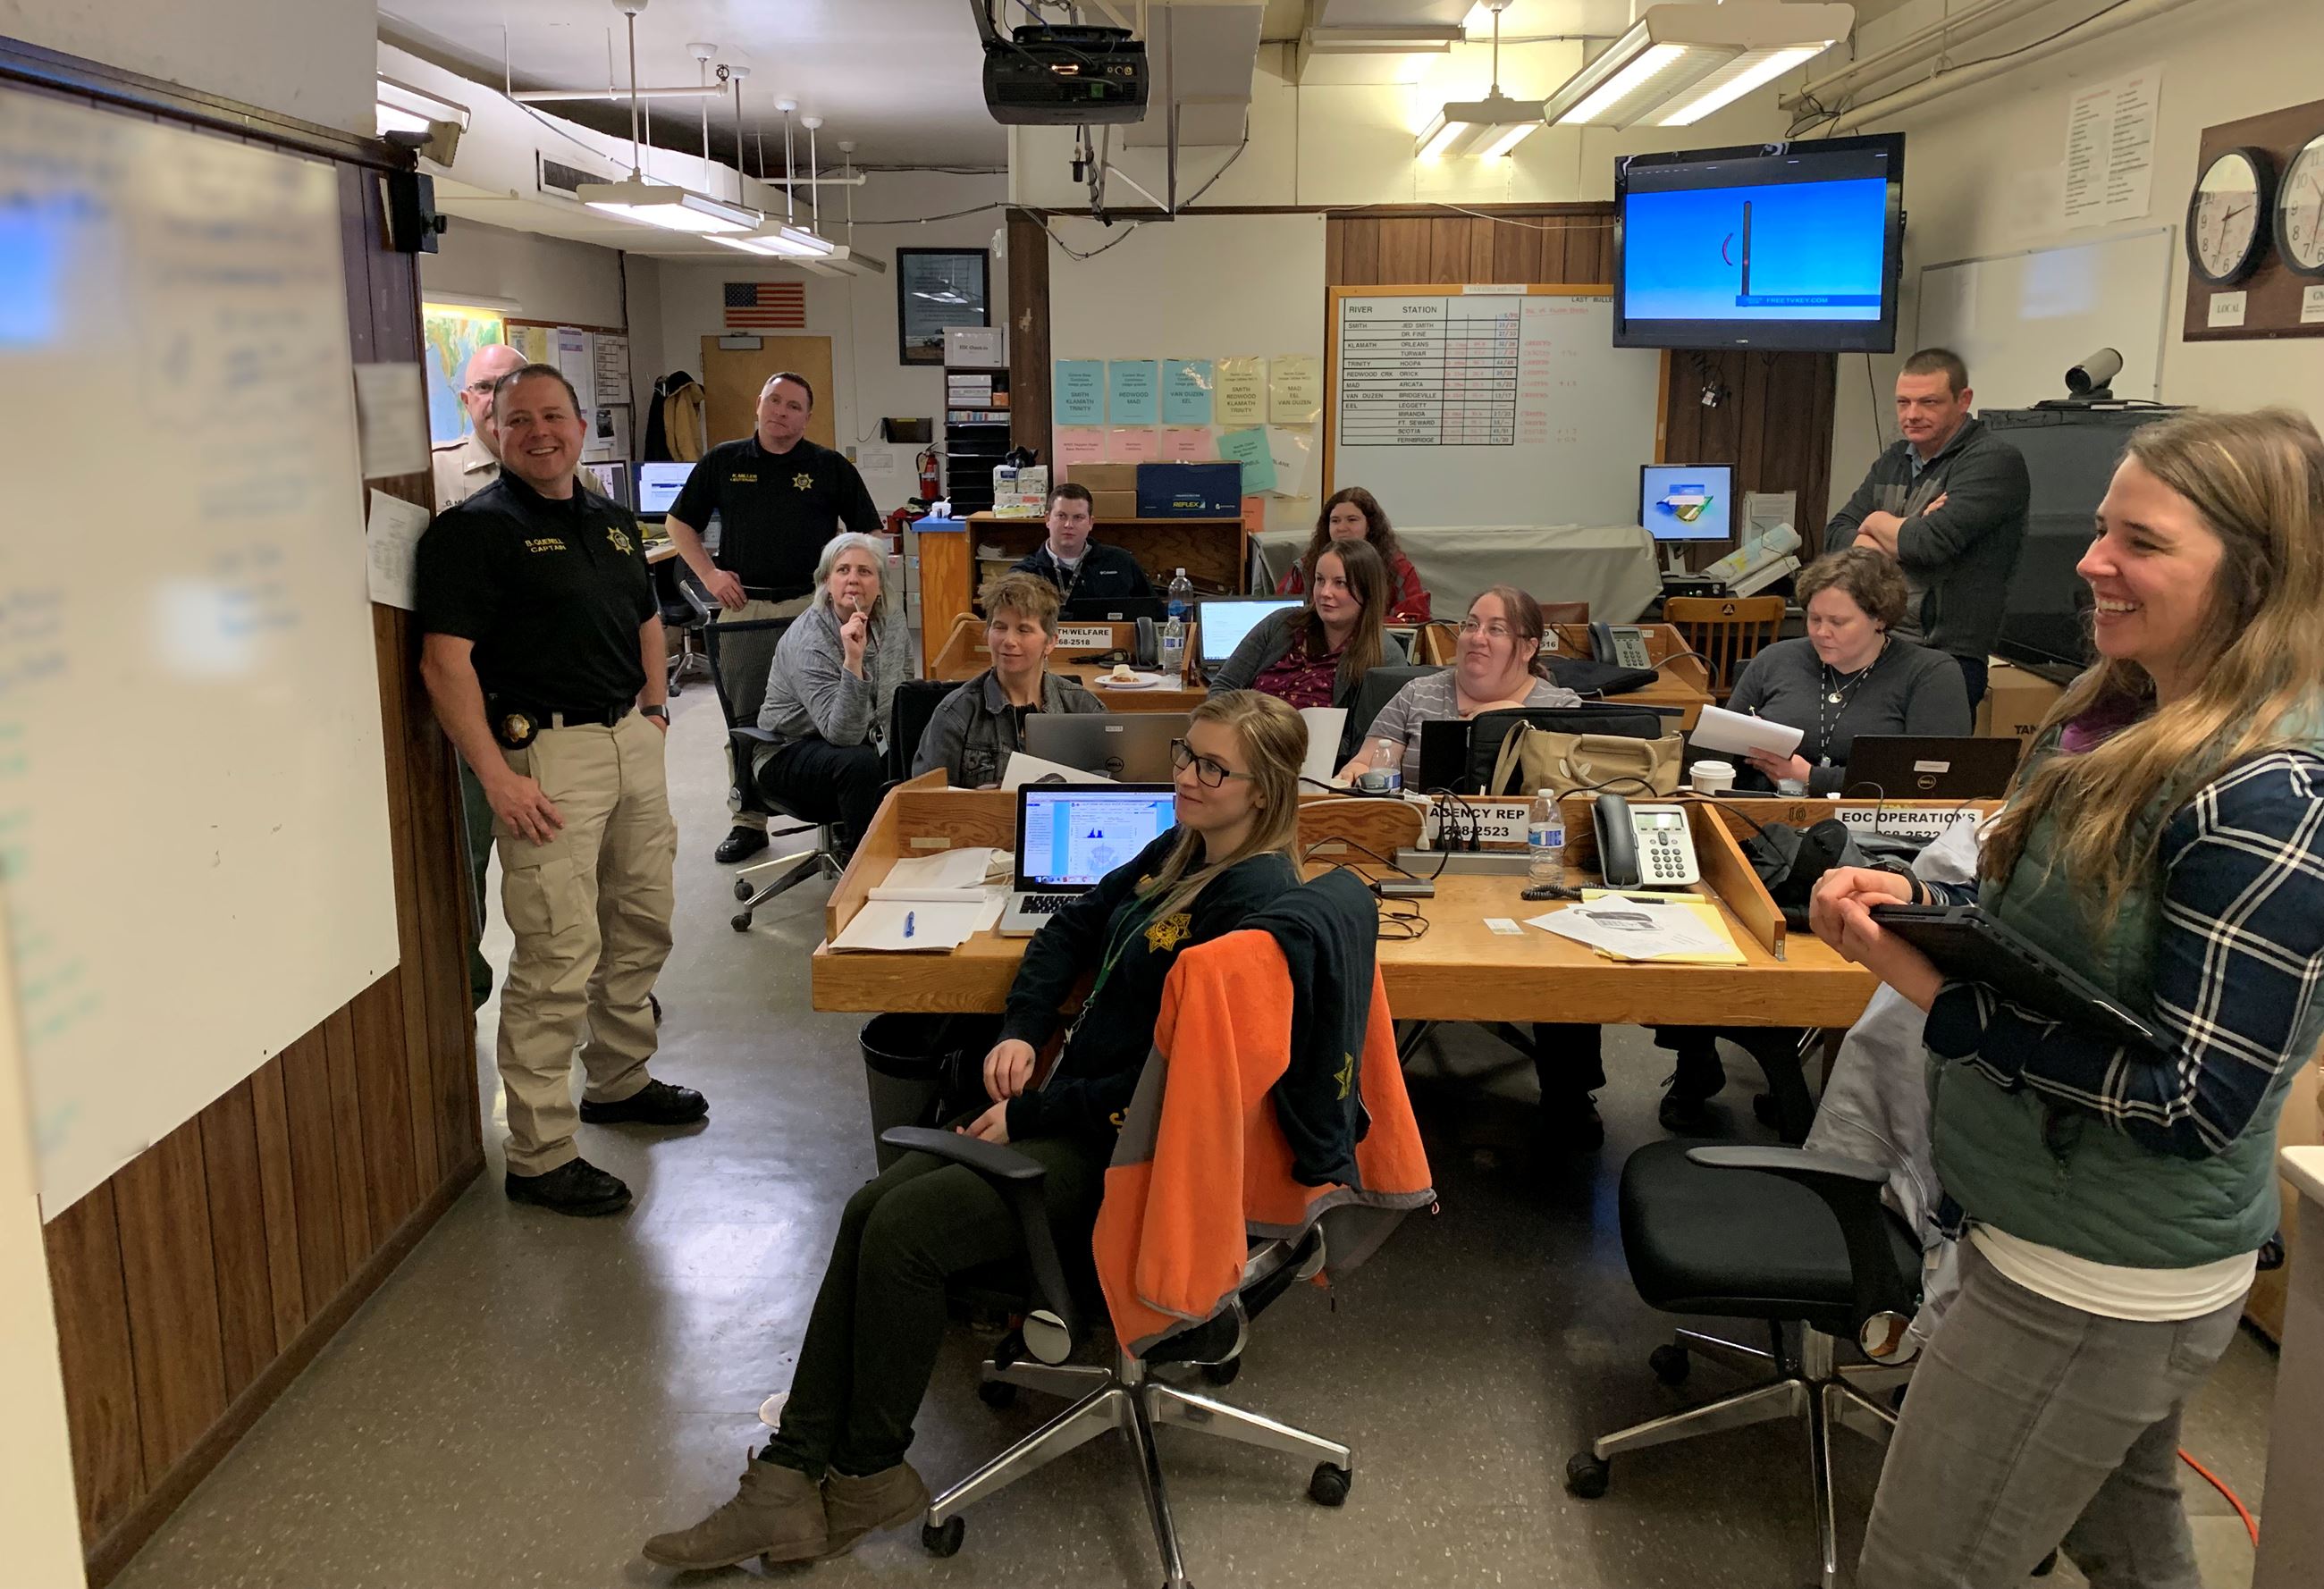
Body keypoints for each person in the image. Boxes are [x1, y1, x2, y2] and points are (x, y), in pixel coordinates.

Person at [1809, 408, 2324, 1589]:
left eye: (2138, 541)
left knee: (1920, 1564)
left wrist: (1936, 993)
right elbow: (2081, 947)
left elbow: (2194, 1097)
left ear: (2254, 573)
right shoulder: (2124, 710)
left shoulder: (2271, 794)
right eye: (2101, 529)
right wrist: (1928, 912)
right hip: (2050, 1226)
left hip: (2094, 1276)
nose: (2092, 561)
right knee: (2132, 1543)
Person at [643, 693, 1308, 1571]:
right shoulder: (1186, 843)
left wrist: (1028, 1112)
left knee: (905, 1234)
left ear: (1263, 793)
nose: (1185, 776)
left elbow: (1175, 1078)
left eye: (1212, 768)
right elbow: (1071, 923)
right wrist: (1022, 1027)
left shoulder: (1256, 902)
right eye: (1186, 753)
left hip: (1132, 1155)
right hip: (1080, 1111)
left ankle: (868, 1469)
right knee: (869, 1204)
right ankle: (789, 1479)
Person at [415, 365, 706, 1218]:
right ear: (493, 431)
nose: (539, 432)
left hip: (629, 742)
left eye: (554, 416)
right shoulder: (471, 533)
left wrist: (654, 711)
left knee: (642, 916)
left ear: (582, 427)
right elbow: (444, 664)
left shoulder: (613, 524)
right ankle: (540, 1152)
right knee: (555, 949)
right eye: (519, 420)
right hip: (544, 756)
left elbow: (648, 621)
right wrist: (496, 778)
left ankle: (617, 1079)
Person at [661, 372, 882, 865]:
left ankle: (844, 806)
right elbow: (679, 523)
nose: (782, 412)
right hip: (747, 608)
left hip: (814, 606)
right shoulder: (724, 460)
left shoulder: (828, 466)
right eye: (774, 401)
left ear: (808, 416)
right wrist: (711, 574)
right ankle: (748, 819)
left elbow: (869, 531)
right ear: (758, 405)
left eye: (794, 406)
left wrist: (849, 585)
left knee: (830, 708)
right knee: (746, 713)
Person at [1825, 348, 2031, 710]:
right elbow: (1836, 534)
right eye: (1903, 402)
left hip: (1945, 655)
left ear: (1963, 400)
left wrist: (1875, 522)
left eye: (1928, 402)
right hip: (1879, 642)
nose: (1912, 415)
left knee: (1920, 766)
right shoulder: (1895, 460)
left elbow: (1929, 545)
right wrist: (1900, 533)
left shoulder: (1992, 461)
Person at [1728, 547, 1972, 796]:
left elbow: (1931, 777)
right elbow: (1717, 749)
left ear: (1879, 619)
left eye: (1838, 622)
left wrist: (1812, 777)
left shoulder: (1930, 674)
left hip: (1877, 821)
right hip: (1765, 809)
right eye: (1814, 619)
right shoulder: (1775, 659)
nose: (1822, 632)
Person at [753, 531, 909, 855]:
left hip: (861, 736)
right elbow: (844, 734)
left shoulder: (891, 618)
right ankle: (862, 871)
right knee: (861, 763)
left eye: (864, 572)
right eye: (842, 570)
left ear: (880, 584)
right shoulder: (810, 640)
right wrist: (853, 660)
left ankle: (912, 856)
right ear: (825, 581)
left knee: (925, 745)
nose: (853, 580)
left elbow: (900, 689)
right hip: (788, 750)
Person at [1339, 585, 1579, 789]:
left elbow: (1573, 792)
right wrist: (1357, 773)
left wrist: (1508, 717)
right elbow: (1367, 763)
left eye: (1495, 629)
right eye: (1472, 625)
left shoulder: (1562, 708)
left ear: (1528, 648)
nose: (1477, 638)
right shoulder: (1416, 695)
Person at [912, 571, 1106, 787]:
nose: (1009, 641)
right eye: (1000, 627)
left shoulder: (1085, 709)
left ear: (1050, 642)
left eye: (1024, 630)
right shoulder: (955, 714)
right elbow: (925, 801)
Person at [1208, 539, 1408, 713]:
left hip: (1326, 754)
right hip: (1247, 744)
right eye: (1320, 580)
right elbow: (1223, 686)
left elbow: (1372, 735)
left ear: (1367, 591)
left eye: (1340, 583)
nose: (1324, 593)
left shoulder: (1385, 656)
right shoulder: (1282, 623)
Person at [1275, 486, 1430, 622]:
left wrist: (1361, 627)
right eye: (1335, 521)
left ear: (1370, 526)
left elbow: (1415, 619)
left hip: (1376, 648)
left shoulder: (1397, 568)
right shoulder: (1305, 567)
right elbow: (1280, 617)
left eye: (1352, 520)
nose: (1342, 528)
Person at [1010, 482, 1156, 606]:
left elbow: (1154, 613)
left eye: (1078, 517)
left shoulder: (1121, 562)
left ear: (1090, 523)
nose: (1069, 524)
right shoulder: (1024, 574)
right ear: (1047, 519)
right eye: (1061, 516)